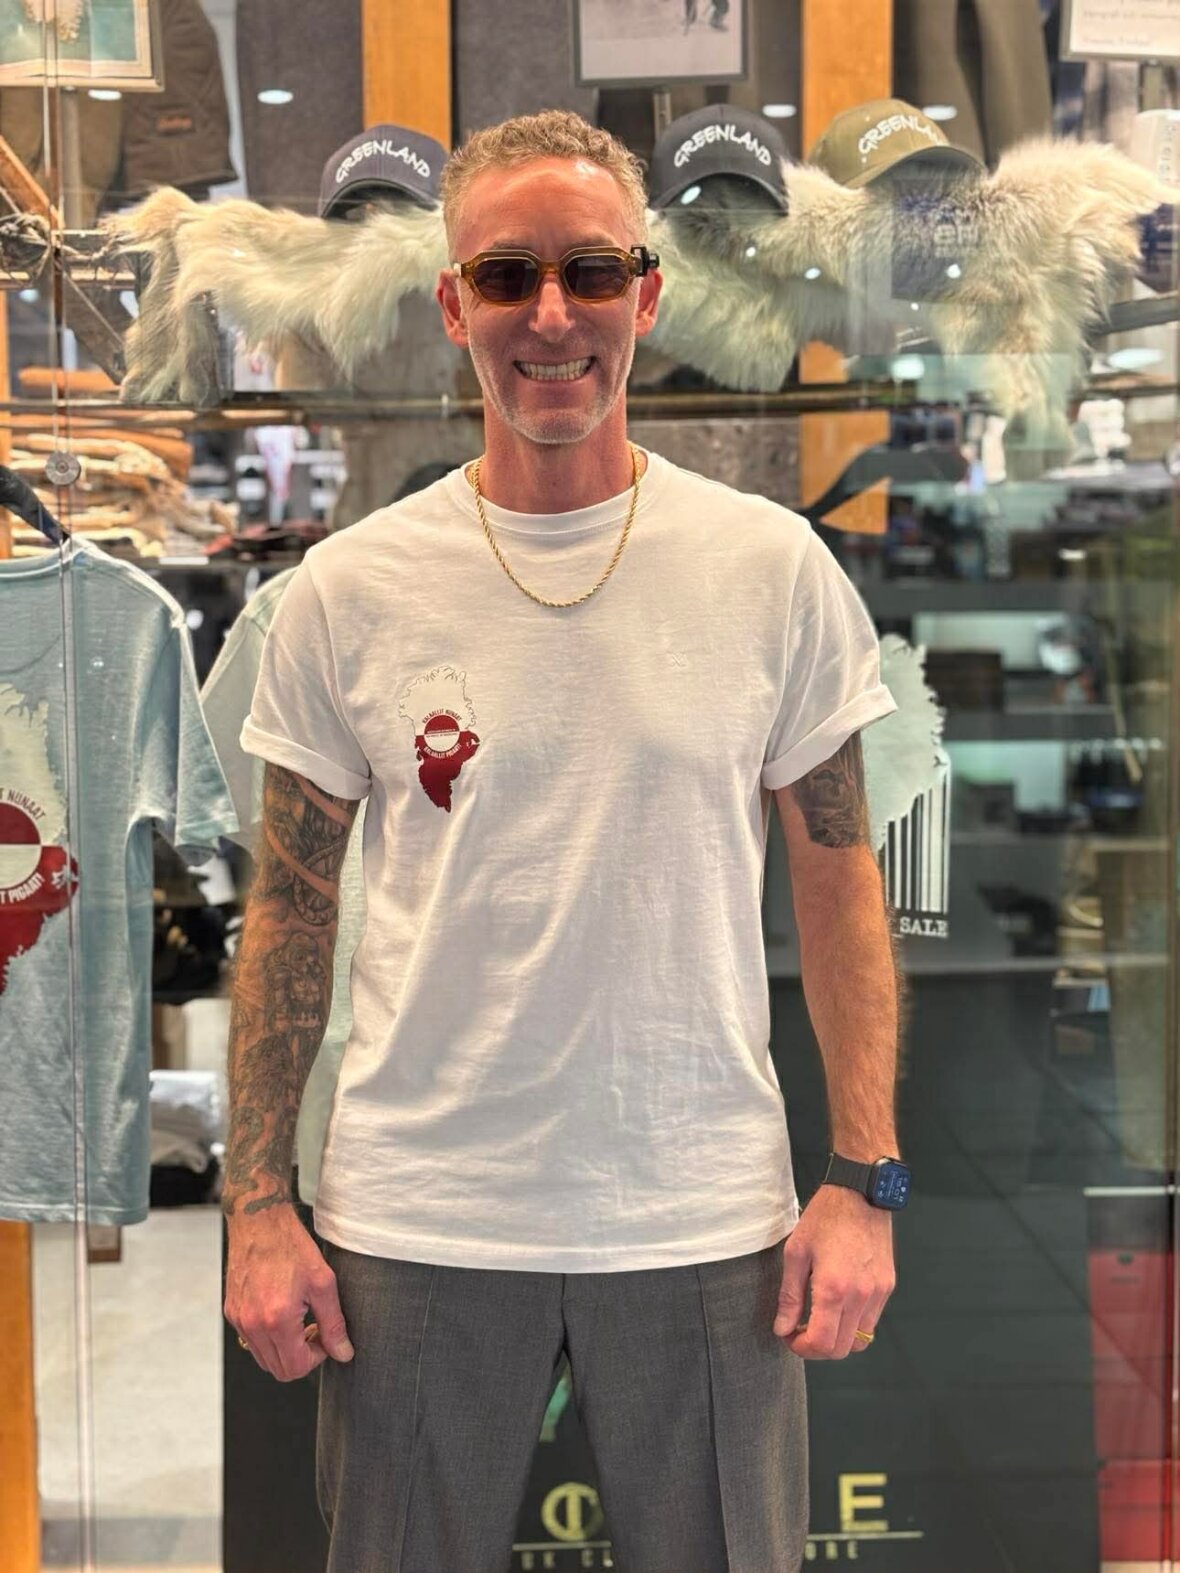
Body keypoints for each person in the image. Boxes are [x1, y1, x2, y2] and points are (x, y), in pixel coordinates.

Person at [222, 109, 904, 1573]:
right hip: (417, 1217)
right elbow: (289, 903)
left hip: (701, 1215)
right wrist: (257, 1199)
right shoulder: (348, 591)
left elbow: (840, 870)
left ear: (646, 295)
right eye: (508, 273)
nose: (552, 315)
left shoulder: (770, 570)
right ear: (451, 302)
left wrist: (866, 1175)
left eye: (592, 271)